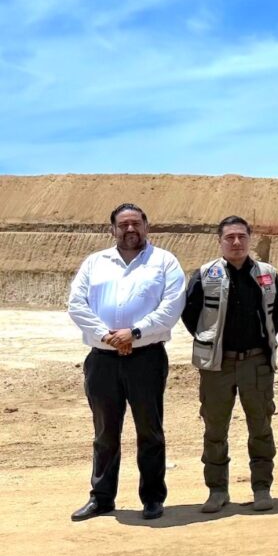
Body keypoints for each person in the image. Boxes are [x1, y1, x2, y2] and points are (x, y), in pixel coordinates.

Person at [67, 203, 185, 521]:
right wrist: (106, 336)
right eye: (123, 225)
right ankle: (102, 497)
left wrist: (133, 333)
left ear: (147, 227)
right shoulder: (95, 263)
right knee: (105, 432)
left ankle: (152, 498)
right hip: (102, 360)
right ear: (113, 230)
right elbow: (76, 304)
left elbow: (171, 307)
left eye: (136, 223)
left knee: (149, 430)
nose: (130, 229)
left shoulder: (164, 262)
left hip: (146, 358)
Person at [182, 216, 278, 513]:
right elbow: (190, 314)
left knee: (261, 427)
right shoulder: (206, 274)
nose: (236, 242)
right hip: (217, 366)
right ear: (220, 241)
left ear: (250, 239)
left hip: (257, 363)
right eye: (230, 237)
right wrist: (210, 342)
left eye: (242, 236)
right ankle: (217, 490)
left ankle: (262, 488)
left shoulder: (267, 274)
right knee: (215, 429)